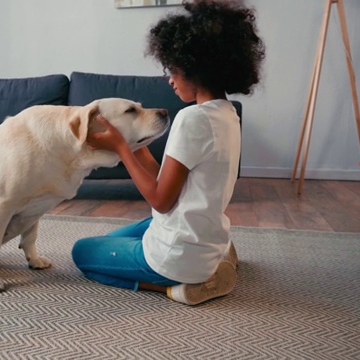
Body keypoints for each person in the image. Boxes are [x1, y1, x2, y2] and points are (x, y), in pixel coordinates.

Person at [71, 0, 265, 305]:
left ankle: (176, 288)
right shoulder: (226, 114)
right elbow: (173, 185)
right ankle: (218, 258)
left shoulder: (193, 118)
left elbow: (161, 200)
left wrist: (121, 148)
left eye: (173, 70)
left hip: (176, 258)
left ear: (194, 68)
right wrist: (138, 144)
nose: (170, 79)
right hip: (200, 237)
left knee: (81, 252)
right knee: (126, 234)